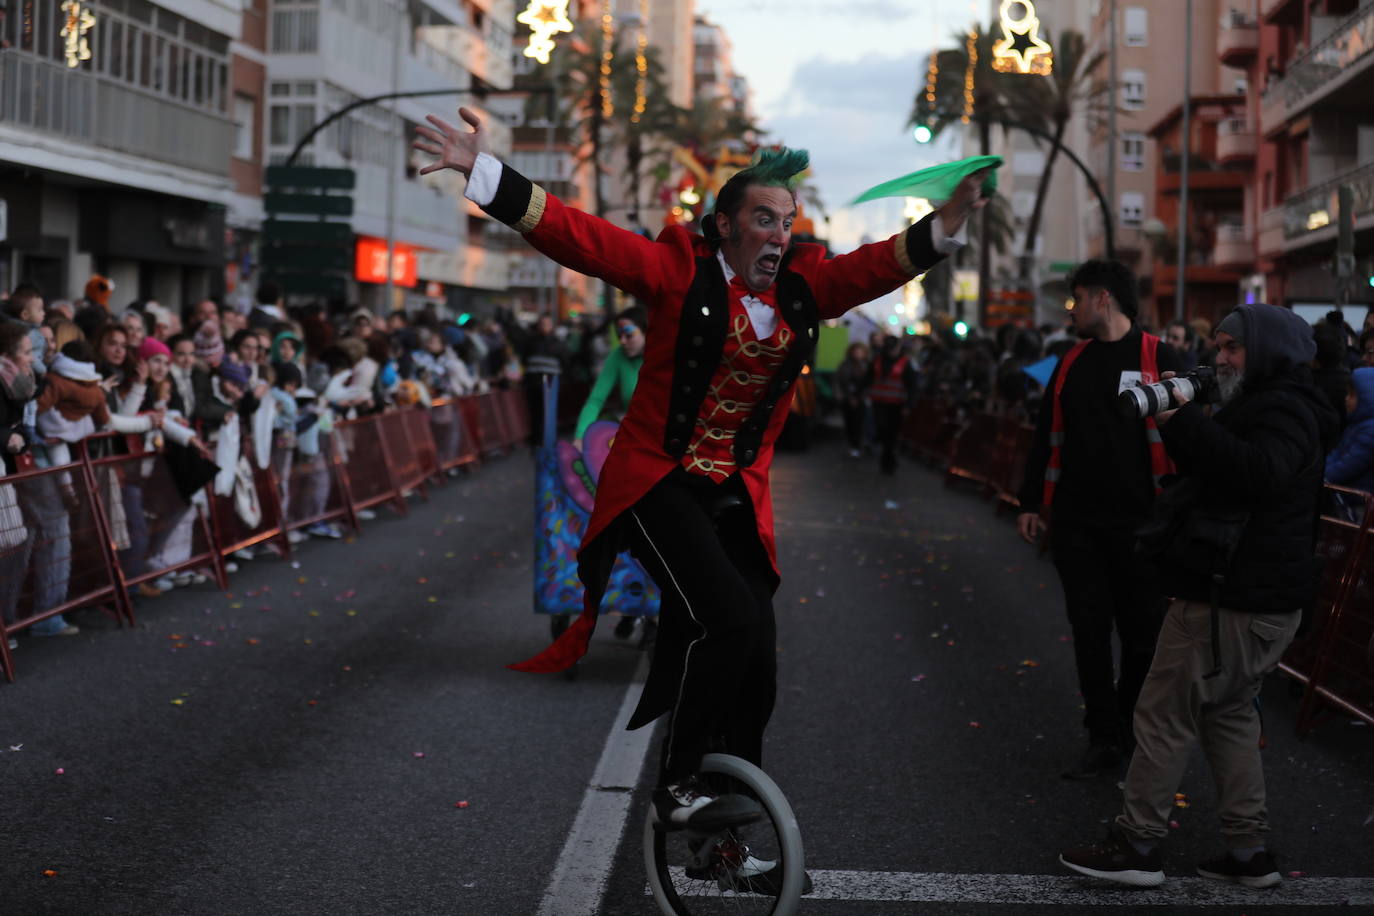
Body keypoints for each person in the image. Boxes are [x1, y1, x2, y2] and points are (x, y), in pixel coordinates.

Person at [414, 107, 983, 851]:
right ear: (724, 227)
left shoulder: (803, 289)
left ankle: (728, 830)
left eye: (788, 221)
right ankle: (677, 785)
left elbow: (875, 265)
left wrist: (945, 224)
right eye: (764, 219)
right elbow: (583, 238)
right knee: (727, 617)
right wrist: (483, 173)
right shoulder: (676, 271)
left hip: (733, 491)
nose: (781, 235)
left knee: (759, 660)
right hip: (657, 479)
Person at [1061, 303, 1339, 889]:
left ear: (1269, 352)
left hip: (1231, 598)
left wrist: (1184, 419)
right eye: (1218, 345)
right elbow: (1228, 470)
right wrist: (1183, 421)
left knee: (1163, 713)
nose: (1220, 358)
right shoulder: (1279, 404)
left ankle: (1137, 843)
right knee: (1230, 715)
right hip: (1253, 598)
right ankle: (1248, 853)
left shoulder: (1282, 409)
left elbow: (1258, 474)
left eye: (1233, 347)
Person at [1016, 260, 1184, 779]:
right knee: (1088, 634)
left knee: (1140, 638)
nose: (1073, 308)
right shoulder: (1069, 363)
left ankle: (1128, 725)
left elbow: (1190, 438)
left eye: (1078, 298)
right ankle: (1103, 737)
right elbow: (1046, 434)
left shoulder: (1161, 356)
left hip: (1143, 527)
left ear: (1103, 299)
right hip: (1077, 526)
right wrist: (1029, 503)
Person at [573, 307, 646, 450]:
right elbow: (595, 400)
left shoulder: (662, 357)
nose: (623, 341)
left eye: (629, 335)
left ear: (647, 332)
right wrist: (580, 437)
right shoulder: (618, 356)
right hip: (635, 440)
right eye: (619, 336)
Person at [868, 335, 918, 474]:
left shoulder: (905, 363)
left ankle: (888, 460)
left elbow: (912, 386)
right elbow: (868, 377)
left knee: (892, 434)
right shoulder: (877, 360)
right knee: (883, 431)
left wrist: (908, 405)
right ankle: (888, 458)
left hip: (896, 405)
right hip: (879, 403)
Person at [1324, 366, 1374, 493]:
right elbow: (1338, 453)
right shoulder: (1357, 423)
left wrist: (1322, 476)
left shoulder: (1370, 431)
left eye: (1352, 395)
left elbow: (1349, 466)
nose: (1346, 399)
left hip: (1355, 499)